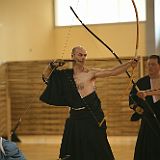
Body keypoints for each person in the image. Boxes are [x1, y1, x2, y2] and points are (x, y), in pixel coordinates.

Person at [40, 46, 139, 160]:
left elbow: (112, 71)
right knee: (74, 151)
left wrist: (129, 64)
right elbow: (46, 77)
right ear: (72, 56)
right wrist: (52, 65)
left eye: (84, 55)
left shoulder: (90, 73)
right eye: (80, 55)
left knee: (98, 148)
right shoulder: (65, 75)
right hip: (75, 118)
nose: (83, 58)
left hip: (92, 117)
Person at [129, 55, 160, 160]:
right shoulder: (141, 83)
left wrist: (146, 93)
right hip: (148, 122)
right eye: (148, 65)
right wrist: (140, 110)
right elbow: (132, 99)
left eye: (153, 64)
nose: (150, 67)